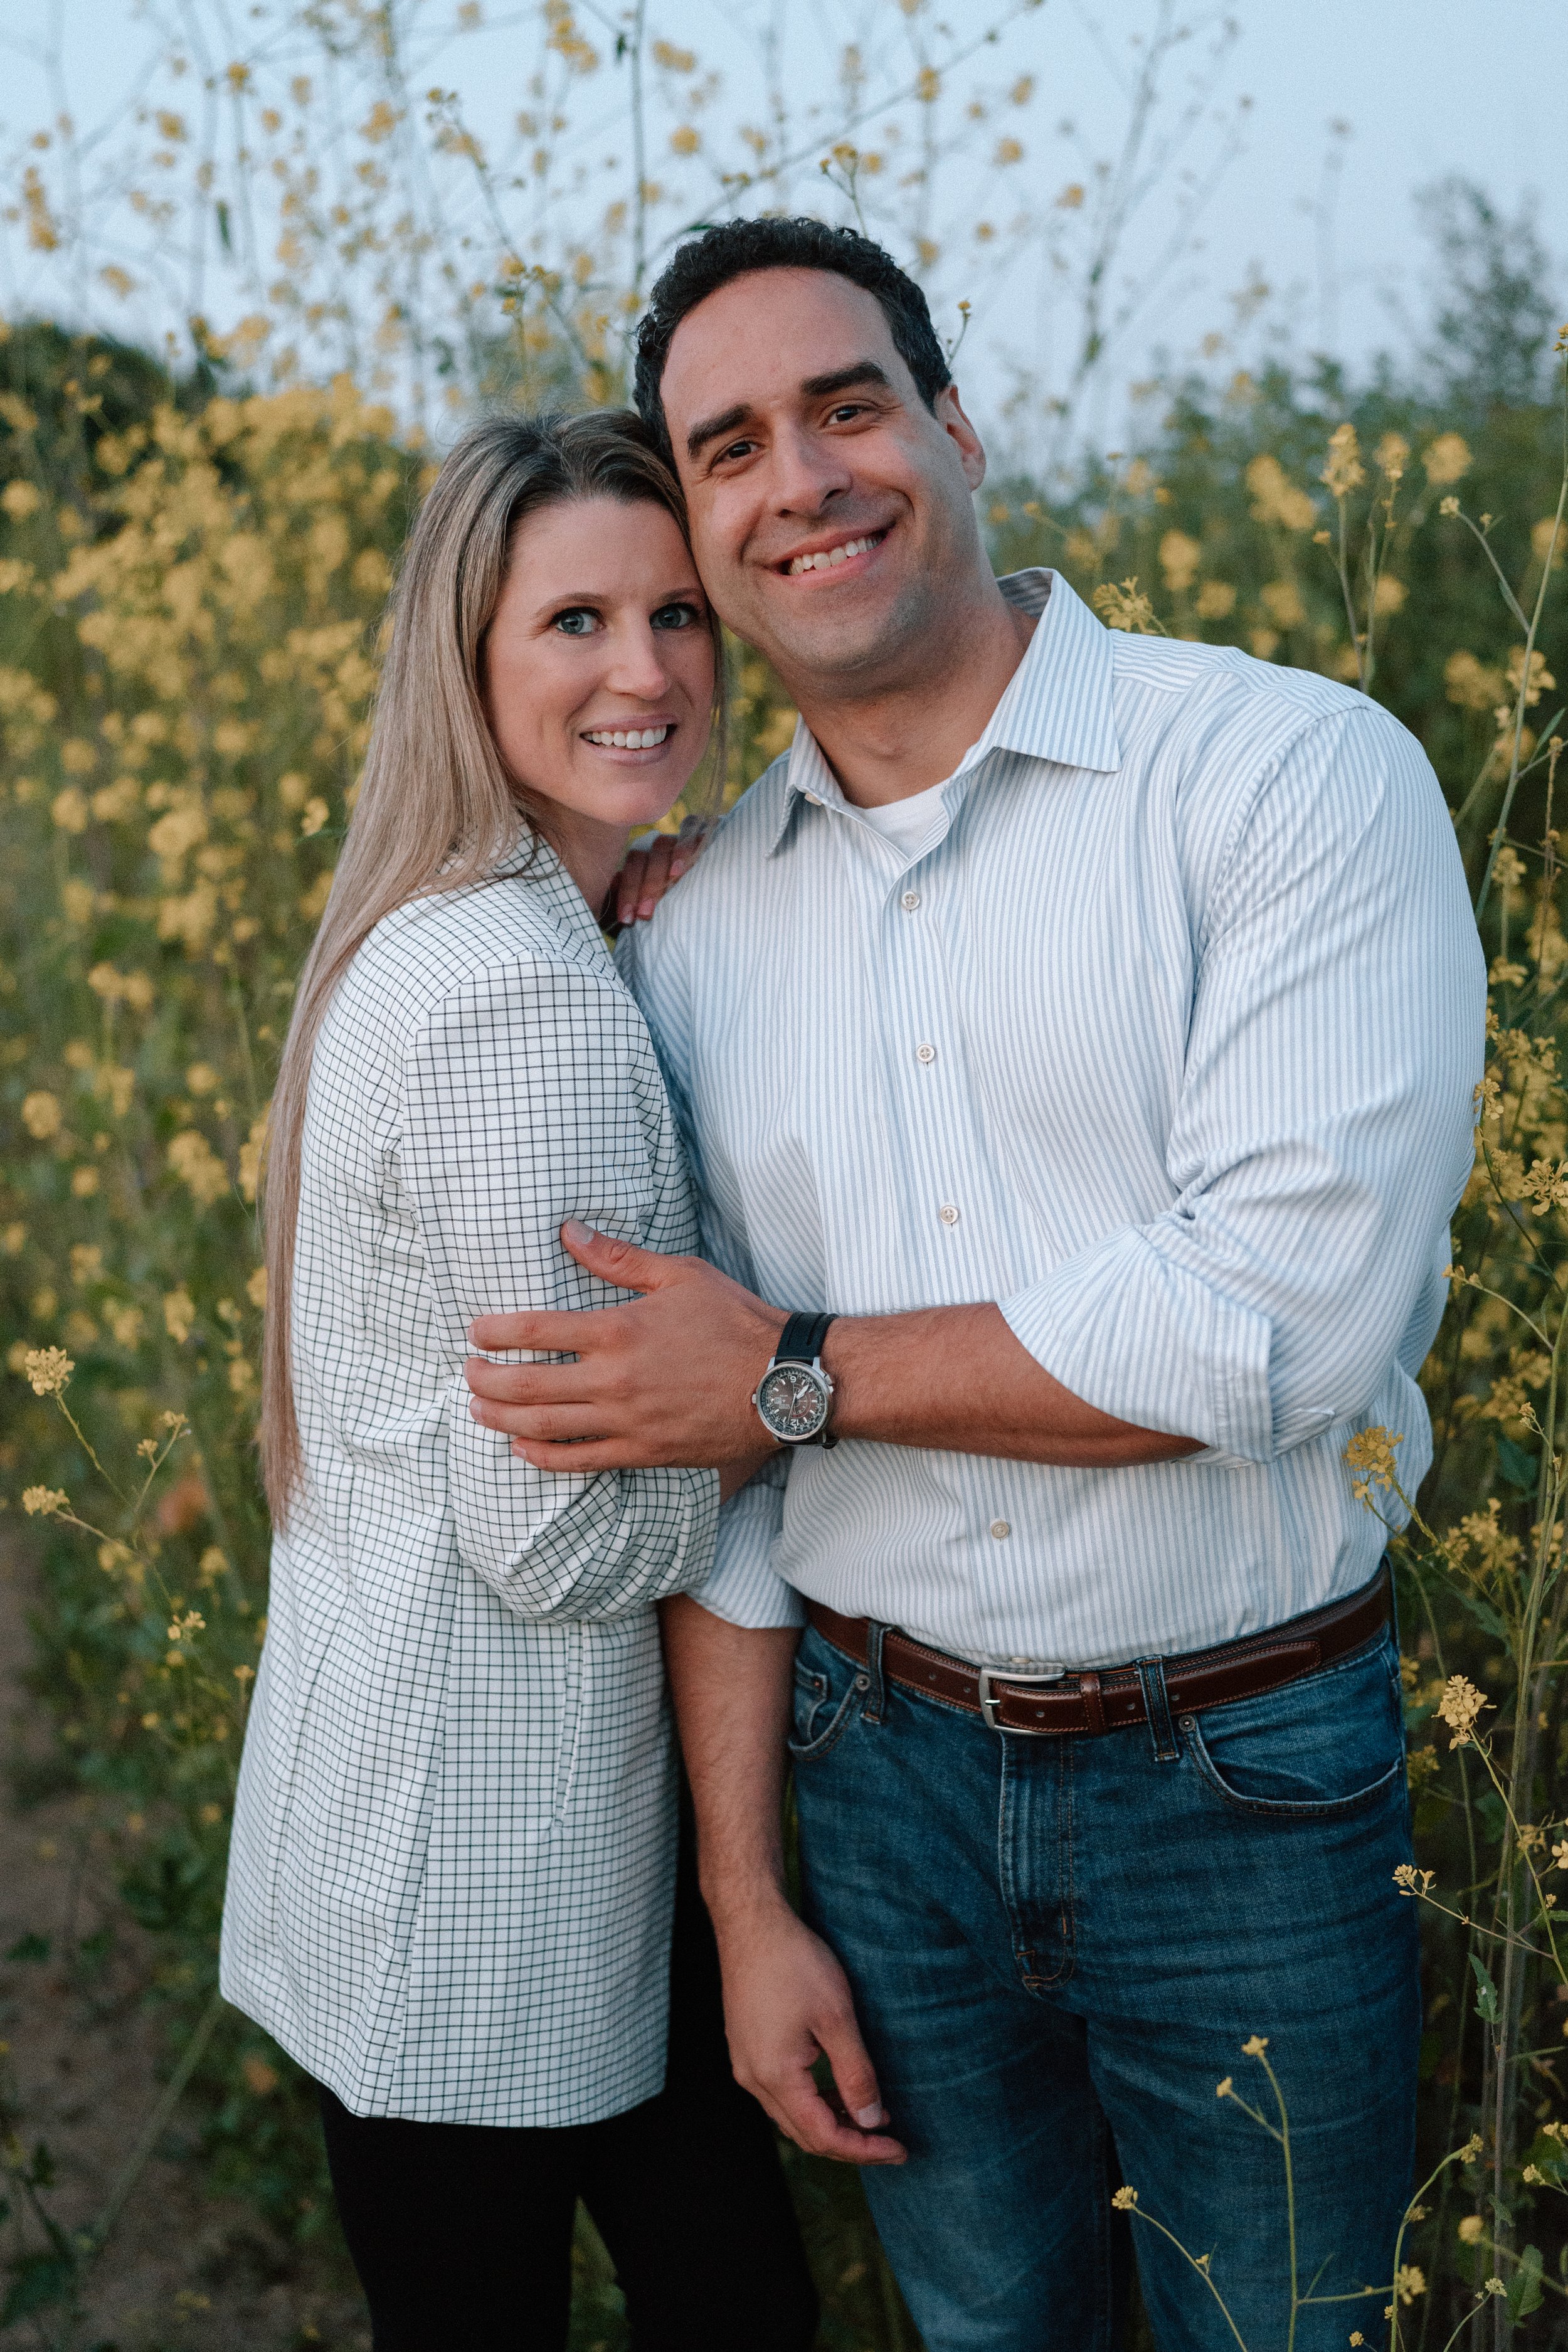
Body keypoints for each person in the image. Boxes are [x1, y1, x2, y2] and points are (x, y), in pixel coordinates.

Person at [462, 223, 1486, 2351]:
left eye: (845, 407)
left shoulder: (1284, 776)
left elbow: (1270, 1327)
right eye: (723, 447)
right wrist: (747, 1910)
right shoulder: (693, 926)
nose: (797, 479)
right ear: (699, 524)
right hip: (876, 1777)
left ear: (955, 423)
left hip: (1248, 1779)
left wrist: (796, 1375)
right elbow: (706, 1452)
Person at [220, 410, 815, 2352]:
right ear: (467, 658)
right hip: (495, 1876)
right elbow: (559, 1539)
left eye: (673, 615)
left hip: (414, 1840)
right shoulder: (517, 998)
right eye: (572, 620)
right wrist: (772, 1416)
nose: (642, 672)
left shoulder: (455, 934)